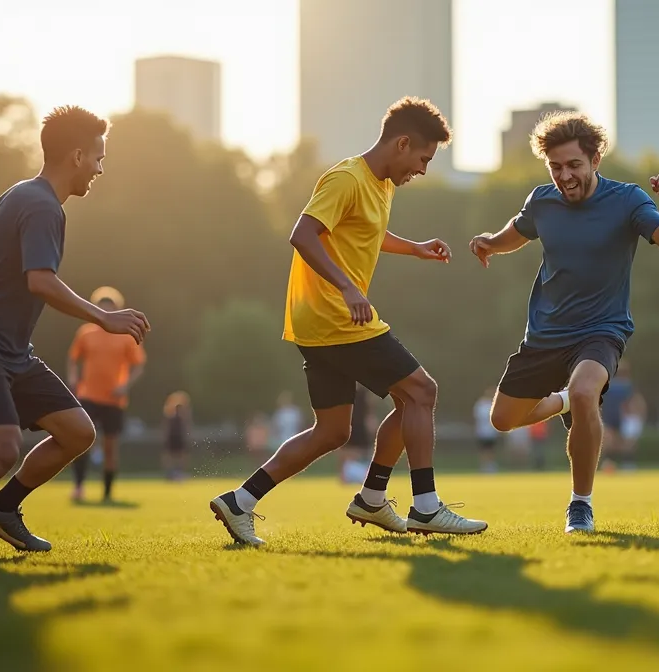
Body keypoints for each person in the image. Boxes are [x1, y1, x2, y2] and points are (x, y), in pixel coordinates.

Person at [209, 97, 487, 545]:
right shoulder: (346, 178)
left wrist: (413, 247)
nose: (422, 169)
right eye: (423, 158)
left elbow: (365, 232)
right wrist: (347, 287)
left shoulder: (382, 184)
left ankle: (242, 501)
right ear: (401, 143)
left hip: (319, 322)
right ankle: (425, 507)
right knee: (421, 391)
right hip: (336, 315)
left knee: (333, 431)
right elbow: (303, 234)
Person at [0, 106, 150, 565]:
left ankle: (2, 510)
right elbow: (39, 281)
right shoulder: (42, 207)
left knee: (78, 431)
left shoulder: (19, 194)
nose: (100, 169)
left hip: (8, 350)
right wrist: (104, 319)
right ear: (77, 155)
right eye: (98, 158)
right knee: (1, 449)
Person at [470, 111, 659, 533]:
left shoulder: (628, 200)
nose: (564, 175)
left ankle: (580, 505)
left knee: (587, 390)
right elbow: (519, 230)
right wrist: (490, 245)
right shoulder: (542, 200)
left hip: (601, 329)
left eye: (574, 165)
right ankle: (567, 401)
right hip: (545, 333)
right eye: (556, 167)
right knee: (502, 420)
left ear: (595, 160)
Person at [67, 285, 146, 503]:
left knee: (110, 446)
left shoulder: (125, 336)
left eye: (110, 307)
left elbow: (138, 365)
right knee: (82, 441)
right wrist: (73, 378)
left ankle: (107, 493)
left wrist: (125, 386)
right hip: (88, 395)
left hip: (114, 399)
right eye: (102, 307)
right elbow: (74, 358)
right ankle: (79, 486)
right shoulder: (86, 332)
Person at [163, 391, 191, 481]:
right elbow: (166, 426)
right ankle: (171, 473)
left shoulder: (183, 415)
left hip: (179, 436)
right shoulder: (170, 413)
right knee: (170, 455)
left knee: (181, 455)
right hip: (172, 436)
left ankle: (179, 472)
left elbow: (187, 425)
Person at [475, 387, 500, 473]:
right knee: (484, 449)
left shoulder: (493, 404)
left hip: (491, 432)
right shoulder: (481, 405)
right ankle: (484, 466)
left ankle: (490, 465)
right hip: (483, 432)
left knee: (491, 449)